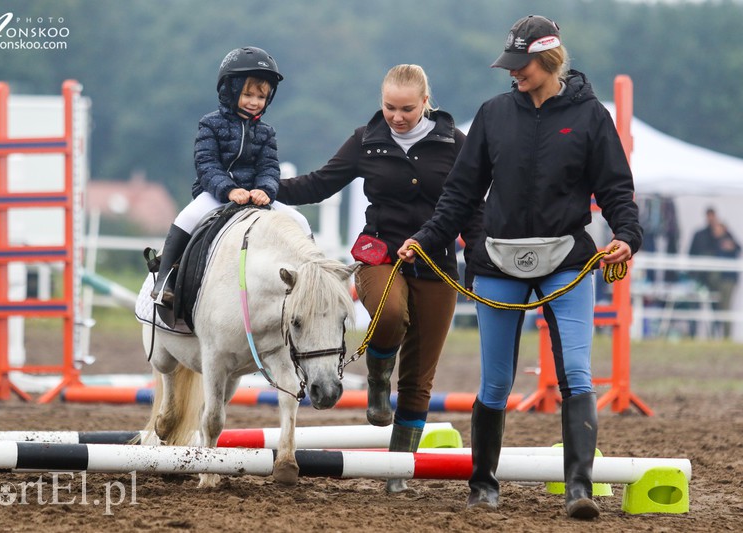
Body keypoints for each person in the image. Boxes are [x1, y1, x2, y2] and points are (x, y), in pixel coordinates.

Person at [398, 15, 642, 519]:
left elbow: (616, 188)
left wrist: (626, 236)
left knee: (577, 373)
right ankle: (483, 485)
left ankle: (579, 488)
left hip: (566, 263)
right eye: (509, 65)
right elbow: (461, 194)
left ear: (549, 59)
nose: (513, 73)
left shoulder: (593, 117)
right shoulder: (492, 114)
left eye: (521, 64)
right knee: (495, 383)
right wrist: (425, 239)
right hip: (498, 262)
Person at [277, 64, 477, 493]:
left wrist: (477, 258)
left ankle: (398, 470)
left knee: (421, 376)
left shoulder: (456, 144)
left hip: (438, 262)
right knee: (387, 317)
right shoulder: (367, 140)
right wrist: (267, 187)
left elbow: (472, 209)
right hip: (381, 254)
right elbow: (319, 184)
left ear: (426, 102)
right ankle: (377, 379)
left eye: (407, 108)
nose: (397, 116)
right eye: (389, 107)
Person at [151, 46, 308, 307]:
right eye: (248, 94)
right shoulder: (210, 124)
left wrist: (265, 190)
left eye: (261, 96)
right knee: (186, 217)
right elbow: (206, 164)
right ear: (231, 91)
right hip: (215, 195)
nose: (254, 101)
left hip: (255, 197)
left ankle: (311, 280)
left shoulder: (267, 133)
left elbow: (270, 167)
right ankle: (164, 279)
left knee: (300, 221)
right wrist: (228, 190)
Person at [688, 207, 741, 338]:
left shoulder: (726, 236)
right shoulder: (703, 235)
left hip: (725, 279)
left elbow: (737, 248)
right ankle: (711, 335)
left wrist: (729, 244)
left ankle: (724, 336)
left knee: (723, 308)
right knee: (713, 308)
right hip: (708, 279)